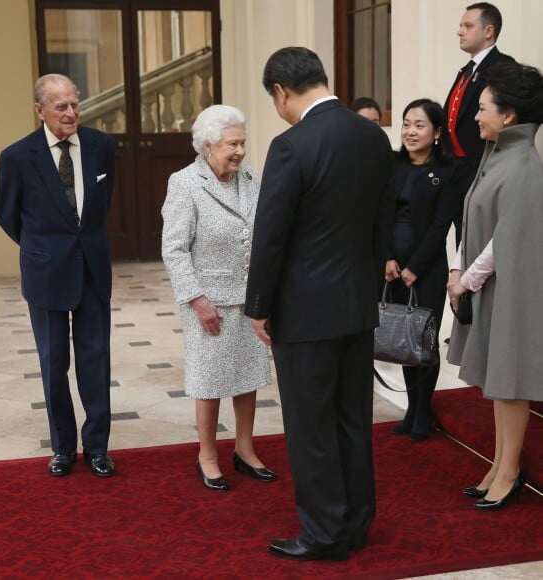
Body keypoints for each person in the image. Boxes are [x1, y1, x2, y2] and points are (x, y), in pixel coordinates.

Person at [245, 47, 394, 561]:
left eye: (274, 100)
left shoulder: (291, 145)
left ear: (281, 91)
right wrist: (368, 284)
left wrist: (258, 305)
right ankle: (355, 520)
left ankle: (324, 534)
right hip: (356, 303)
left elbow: (271, 237)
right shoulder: (372, 136)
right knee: (352, 417)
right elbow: (383, 222)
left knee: (310, 427)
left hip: (305, 311)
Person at [0, 74, 116, 478]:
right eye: (60, 106)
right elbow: (7, 215)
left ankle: (97, 447)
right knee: (53, 361)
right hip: (46, 273)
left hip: (92, 270)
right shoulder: (16, 157)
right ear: (39, 110)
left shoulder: (102, 146)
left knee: (95, 360)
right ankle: (63, 447)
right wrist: (42, 248)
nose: (70, 112)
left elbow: (99, 208)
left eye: (74, 104)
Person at [161, 104, 276, 493]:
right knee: (209, 382)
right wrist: (196, 299)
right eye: (232, 144)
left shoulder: (249, 177)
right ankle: (207, 456)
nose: (240, 150)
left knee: (248, 376)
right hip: (208, 302)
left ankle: (245, 449)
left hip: (249, 299)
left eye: (242, 142)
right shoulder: (185, 182)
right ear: (208, 145)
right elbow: (174, 248)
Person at [447, 61, 543, 510]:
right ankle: (500, 464)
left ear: (508, 116)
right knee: (498, 383)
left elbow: (506, 238)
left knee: (510, 381)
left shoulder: (522, 163)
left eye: (482, 108)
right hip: (492, 285)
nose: (476, 116)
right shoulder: (497, 155)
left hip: (511, 287)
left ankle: (509, 470)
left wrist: (466, 280)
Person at [385, 99, 464, 441]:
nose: (410, 131)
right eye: (406, 124)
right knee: (402, 338)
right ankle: (411, 407)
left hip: (427, 268)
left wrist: (416, 266)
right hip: (391, 267)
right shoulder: (391, 165)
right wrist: (386, 259)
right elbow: (379, 217)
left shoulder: (448, 171)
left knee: (423, 339)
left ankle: (422, 410)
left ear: (435, 133)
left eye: (419, 125)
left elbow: (440, 225)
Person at [444, 2, 514, 245]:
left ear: (488, 31)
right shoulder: (466, 69)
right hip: (456, 170)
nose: (459, 31)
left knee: (479, 241)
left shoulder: (503, 67)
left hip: (483, 168)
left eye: (467, 25)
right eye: (461, 25)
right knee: (461, 241)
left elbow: (509, 120)